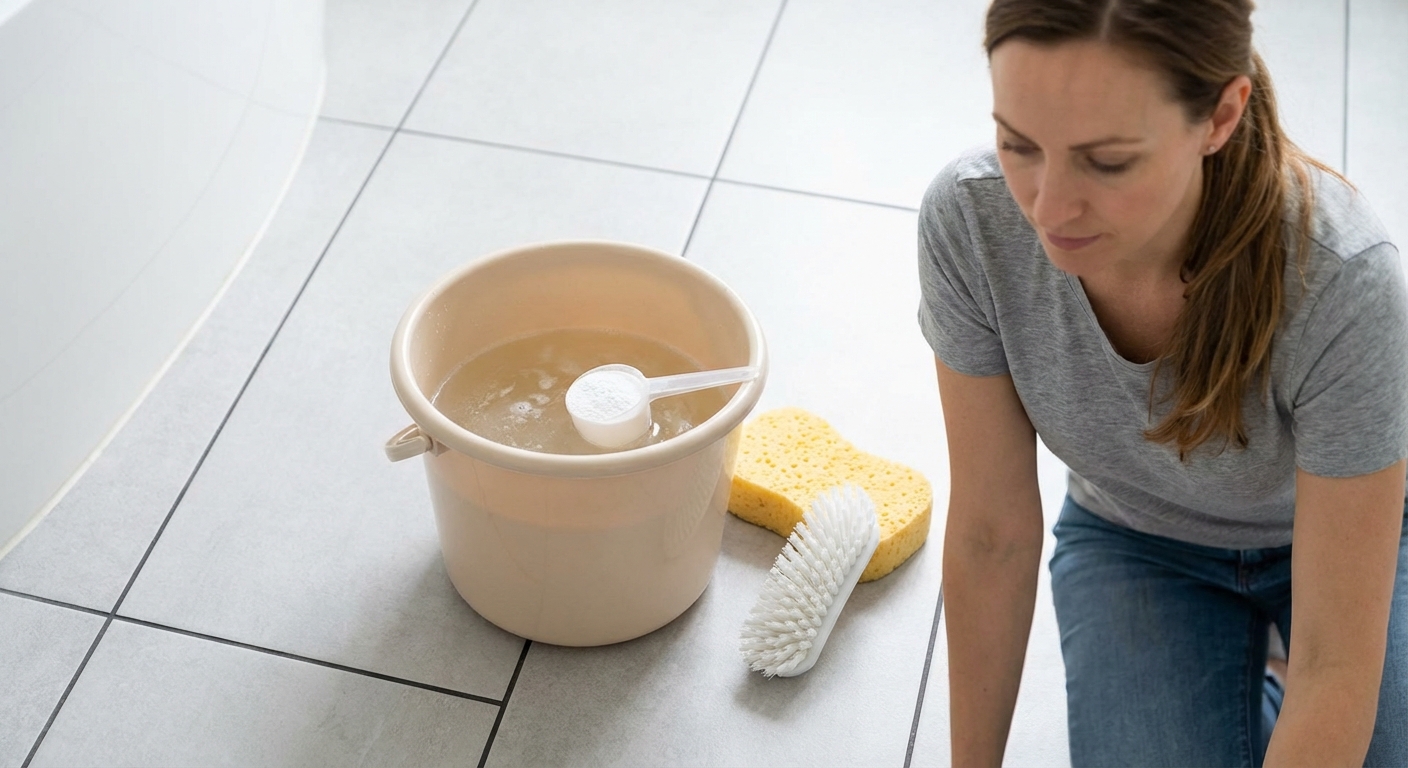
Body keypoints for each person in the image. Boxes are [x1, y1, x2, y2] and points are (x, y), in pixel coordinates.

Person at [917, 0, 1408, 765]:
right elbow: (990, 536)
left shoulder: (1346, 282)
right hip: (1137, 538)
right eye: (1019, 143)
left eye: (1107, 161)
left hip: (1349, 542)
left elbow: (1336, 661)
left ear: (1220, 115)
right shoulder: (970, 221)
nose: (1048, 208)